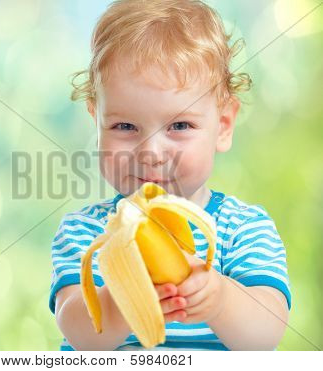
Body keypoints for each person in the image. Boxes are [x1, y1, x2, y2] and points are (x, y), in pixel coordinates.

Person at [49, 0, 291, 350]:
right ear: (96, 123)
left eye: (179, 125)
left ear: (222, 126)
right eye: (125, 126)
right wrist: (123, 300)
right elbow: (80, 336)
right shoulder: (87, 233)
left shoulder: (243, 229)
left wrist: (220, 299)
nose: (151, 153)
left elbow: (266, 335)